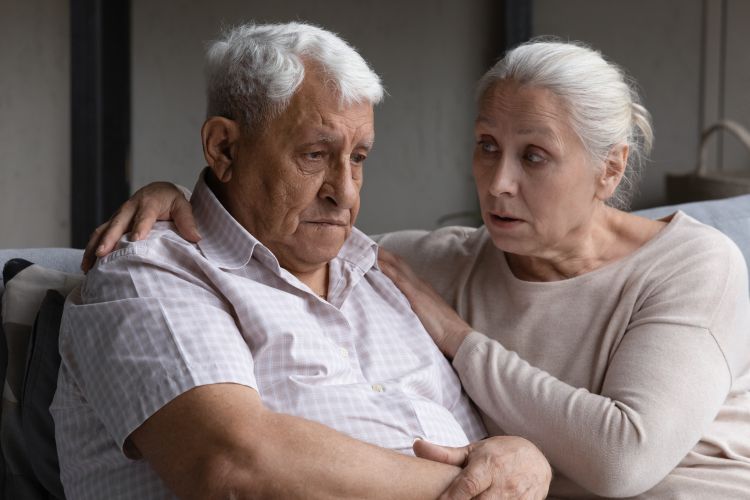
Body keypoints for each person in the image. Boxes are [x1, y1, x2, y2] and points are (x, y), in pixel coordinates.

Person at [95, 38, 750, 499]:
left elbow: (623, 458)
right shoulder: (438, 260)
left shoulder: (691, 263)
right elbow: (277, 237)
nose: (498, 184)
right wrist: (179, 193)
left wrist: (461, 340)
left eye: (535, 157)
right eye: (487, 148)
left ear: (609, 168)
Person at [54, 22, 553, 500]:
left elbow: (484, 450)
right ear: (224, 148)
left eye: (358, 158)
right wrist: (479, 491)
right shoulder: (152, 272)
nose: (346, 192)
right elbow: (231, 466)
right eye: (316, 154)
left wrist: (524, 458)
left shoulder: (377, 273)